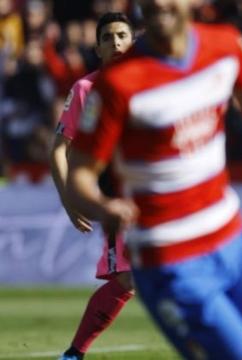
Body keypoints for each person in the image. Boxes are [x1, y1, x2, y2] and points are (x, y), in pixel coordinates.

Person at [65, 0, 242, 359]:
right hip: (169, 259)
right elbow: (78, 173)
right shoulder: (115, 85)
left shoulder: (219, 45)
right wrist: (103, 206)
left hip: (231, 238)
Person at [49, 12, 135, 360]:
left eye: (122, 36)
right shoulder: (86, 90)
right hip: (119, 200)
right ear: (97, 48)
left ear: (133, 41)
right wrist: (69, 199)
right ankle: (74, 354)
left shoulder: (153, 83)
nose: (115, 43)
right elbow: (59, 147)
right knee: (128, 279)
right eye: (107, 37)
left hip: (162, 197)